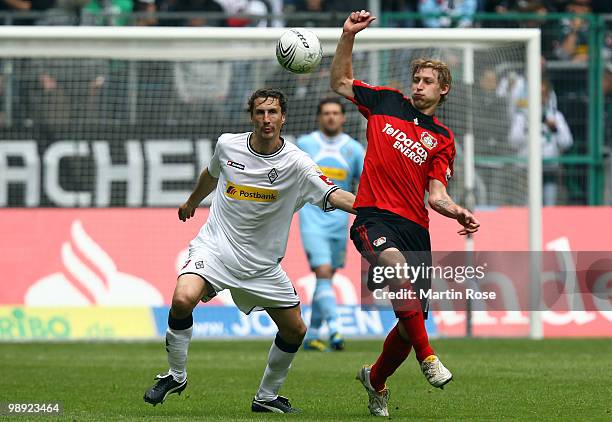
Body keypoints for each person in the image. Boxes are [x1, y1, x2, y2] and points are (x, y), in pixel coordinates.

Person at [143, 88, 357, 414]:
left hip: (261, 266)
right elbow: (211, 175)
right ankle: (175, 375)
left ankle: (266, 397)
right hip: (215, 248)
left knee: (295, 330)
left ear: (283, 117)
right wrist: (191, 201)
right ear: (251, 116)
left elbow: (335, 194)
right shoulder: (228, 145)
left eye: (273, 113)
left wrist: (377, 210)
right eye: (260, 113)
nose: (266, 119)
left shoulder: (297, 163)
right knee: (182, 299)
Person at [330, 10, 480, 417]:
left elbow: (437, 195)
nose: (418, 85)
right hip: (374, 218)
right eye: (416, 79)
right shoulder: (386, 102)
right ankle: (429, 359)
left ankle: (375, 380)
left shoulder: (443, 139)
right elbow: (340, 82)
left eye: (427, 81)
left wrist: (458, 212)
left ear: (443, 90)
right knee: (397, 274)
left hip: (416, 227)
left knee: (406, 320)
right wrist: (347, 36)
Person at [297, 98, 365, 352]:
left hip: (340, 222)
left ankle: (313, 334)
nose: (331, 117)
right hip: (312, 219)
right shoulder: (305, 145)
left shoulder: (354, 149)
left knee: (326, 277)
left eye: (336, 113)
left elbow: (365, 183)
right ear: (318, 117)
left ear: (344, 117)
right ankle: (336, 329)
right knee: (323, 271)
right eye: (326, 113)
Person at [509, 78, 573, 205]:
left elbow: (567, 143)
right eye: (537, 94)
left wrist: (554, 129)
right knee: (527, 207)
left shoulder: (556, 116)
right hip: (526, 170)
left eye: (544, 94)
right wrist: (527, 127)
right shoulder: (521, 116)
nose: (540, 98)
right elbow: (513, 141)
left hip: (549, 170)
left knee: (549, 206)